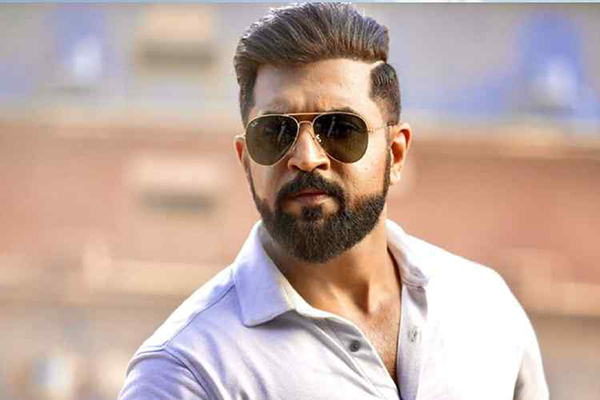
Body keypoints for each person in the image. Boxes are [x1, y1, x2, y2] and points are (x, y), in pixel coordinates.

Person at [119, 3, 549, 400]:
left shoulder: (484, 306)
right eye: (274, 132)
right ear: (246, 160)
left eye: (341, 129)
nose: (306, 157)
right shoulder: (185, 371)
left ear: (396, 153)